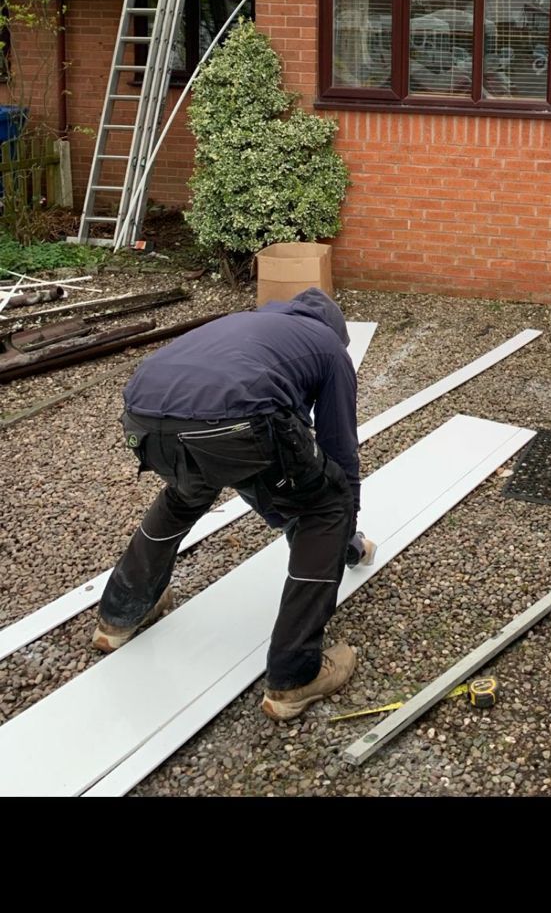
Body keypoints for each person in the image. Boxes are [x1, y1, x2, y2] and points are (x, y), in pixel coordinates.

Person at [92, 288, 372, 719]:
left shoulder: (250, 326)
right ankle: (295, 676)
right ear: (337, 331)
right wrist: (343, 527)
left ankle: (120, 616)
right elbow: (338, 447)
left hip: (143, 416)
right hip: (235, 419)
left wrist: (291, 506)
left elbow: (260, 470)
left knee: (187, 493)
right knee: (327, 507)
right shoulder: (329, 348)